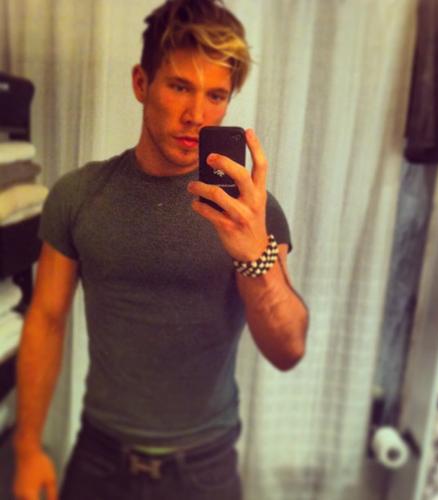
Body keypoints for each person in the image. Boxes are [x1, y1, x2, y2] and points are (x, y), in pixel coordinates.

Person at [12, 0, 309, 498]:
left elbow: (288, 350)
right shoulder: (78, 195)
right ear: (141, 83)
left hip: (205, 467)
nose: (196, 115)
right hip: (100, 458)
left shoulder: (250, 213)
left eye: (216, 95)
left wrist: (254, 254)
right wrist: (27, 449)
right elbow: (46, 319)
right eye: (179, 87)